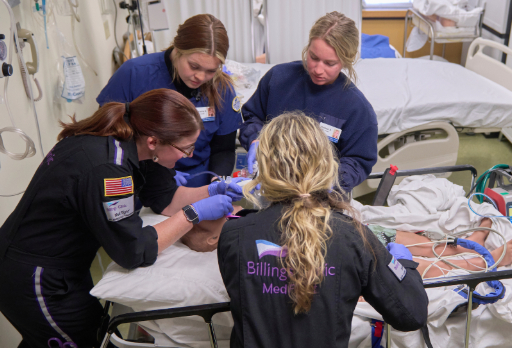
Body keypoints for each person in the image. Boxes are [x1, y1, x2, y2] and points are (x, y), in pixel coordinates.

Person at [0, 89, 247, 348]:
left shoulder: (135, 140)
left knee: (72, 333)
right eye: (185, 149)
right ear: (154, 141)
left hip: (65, 266)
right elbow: (134, 249)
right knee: (86, 341)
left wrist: (212, 190)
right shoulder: (109, 169)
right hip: (34, 275)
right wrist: (193, 214)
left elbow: (166, 199)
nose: (188, 156)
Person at [218, 113, 428, 348]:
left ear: (263, 167)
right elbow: (411, 315)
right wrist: (402, 262)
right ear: (326, 165)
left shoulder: (233, 234)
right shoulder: (353, 237)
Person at [239, 11, 378, 194]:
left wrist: (330, 180)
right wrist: (255, 140)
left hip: (321, 199)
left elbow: (358, 161)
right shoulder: (278, 79)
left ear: (346, 61)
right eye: (313, 57)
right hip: (272, 186)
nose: (318, 69)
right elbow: (252, 116)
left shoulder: (357, 109)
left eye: (329, 63)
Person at [97, 14, 242, 187]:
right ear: (178, 50)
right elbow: (106, 137)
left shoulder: (222, 89)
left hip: (197, 180)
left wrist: (217, 182)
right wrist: (159, 175)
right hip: (140, 179)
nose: (201, 77)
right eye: (194, 66)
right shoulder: (134, 74)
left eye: (211, 70)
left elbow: (223, 149)